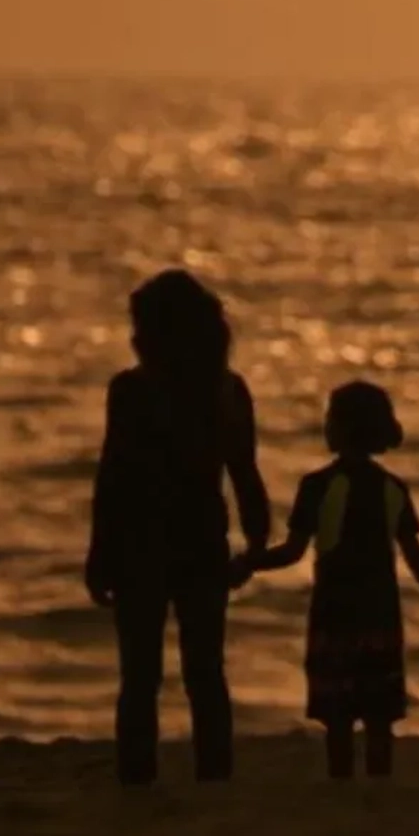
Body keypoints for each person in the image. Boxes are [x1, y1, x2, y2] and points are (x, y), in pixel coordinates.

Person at [86, 270, 271, 785]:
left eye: (140, 326)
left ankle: (139, 778)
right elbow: (245, 471)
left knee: (142, 677)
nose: (134, 337)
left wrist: (100, 552)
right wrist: (255, 542)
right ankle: (214, 776)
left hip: (142, 545)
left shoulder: (131, 390)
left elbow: (113, 476)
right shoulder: (227, 389)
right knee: (204, 673)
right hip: (199, 541)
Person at [234, 382, 419, 779]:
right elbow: (415, 558)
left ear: (341, 427)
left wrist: (247, 564)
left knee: (337, 716)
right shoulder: (392, 487)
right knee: (380, 717)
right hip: (380, 611)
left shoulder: (318, 486)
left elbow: (292, 551)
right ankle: (380, 784)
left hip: (335, 610)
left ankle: (341, 782)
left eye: (330, 417)